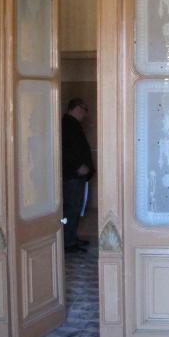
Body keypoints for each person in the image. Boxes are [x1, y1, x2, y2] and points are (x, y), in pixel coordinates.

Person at [61, 98, 94, 252]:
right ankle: (68, 242)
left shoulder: (72, 125)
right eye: (84, 109)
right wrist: (78, 166)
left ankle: (71, 237)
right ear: (76, 108)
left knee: (75, 208)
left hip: (75, 176)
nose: (85, 113)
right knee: (71, 208)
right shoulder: (66, 125)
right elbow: (65, 150)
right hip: (72, 176)